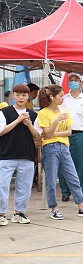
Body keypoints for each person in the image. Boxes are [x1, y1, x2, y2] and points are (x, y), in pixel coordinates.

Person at [33, 85, 83, 220]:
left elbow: (68, 131)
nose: (63, 98)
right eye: (60, 96)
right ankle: (54, 208)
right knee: (51, 180)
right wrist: (56, 122)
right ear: (52, 97)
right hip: (50, 148)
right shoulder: (43, 113)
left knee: (73, 177)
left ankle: (82, 207)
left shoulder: (64, 111)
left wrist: (53, 133)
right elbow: (47, 133)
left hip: (64, 147)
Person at [0, 84, 40, 225]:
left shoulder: (33, 114)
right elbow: (1, 131)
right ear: (13, 96)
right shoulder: (4, 112)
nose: (21, 98)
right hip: (6, 154)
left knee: (24, 186)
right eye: (17, 95)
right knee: (2, 185)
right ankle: (1, 213)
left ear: (28, 96)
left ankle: (19, 212)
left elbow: (38, 135)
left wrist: (29, 124)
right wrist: (17, 120)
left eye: (24, 95)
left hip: (27, 154)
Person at [58, 73, 83, 202]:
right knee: (63, 163)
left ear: (81, 83)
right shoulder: (63, 99)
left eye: (76, 80)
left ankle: (80, 193)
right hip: (64, 134)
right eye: (71, 80)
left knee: (79, 165)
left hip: (80, 134)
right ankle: (65, 191)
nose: (73, 82)